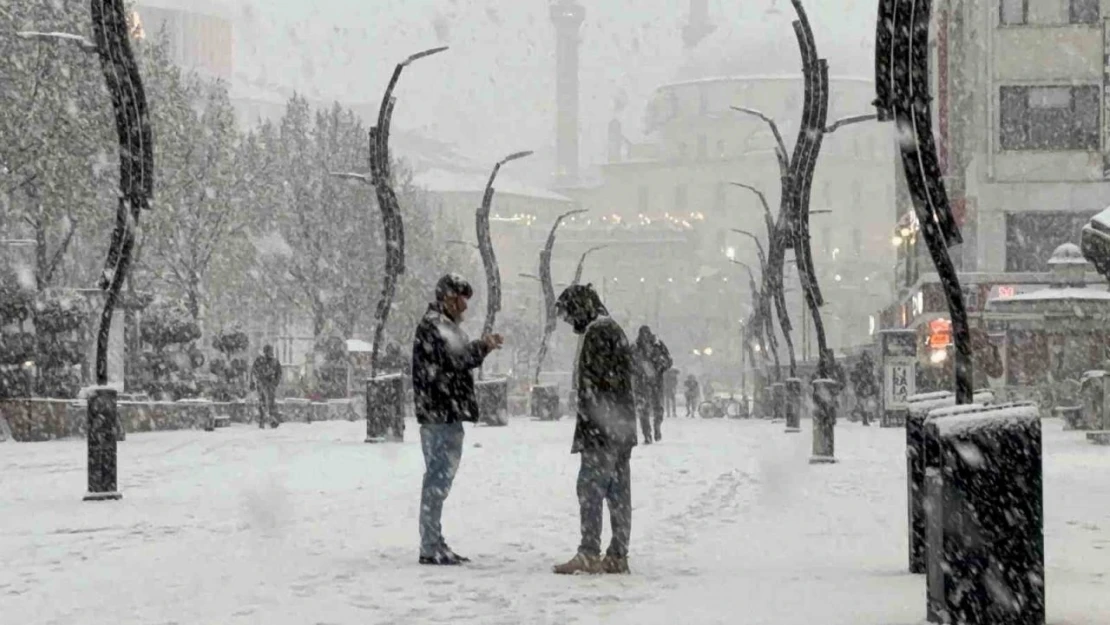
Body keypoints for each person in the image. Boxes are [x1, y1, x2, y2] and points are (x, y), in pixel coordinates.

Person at [412, 274, 502, 565]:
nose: (464, 306)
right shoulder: (435, 325)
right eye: (459, 299)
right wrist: (483, 346)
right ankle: (430, 545)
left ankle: (434, 541)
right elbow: (458, 359)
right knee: (437, 481)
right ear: (446, 298)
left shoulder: (441, 325)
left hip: (443, 412)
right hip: (440, 413)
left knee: (439, 480)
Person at [552, 284, 637, 575]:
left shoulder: (598, 333)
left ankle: (589, 552)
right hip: (620, 428)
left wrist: (593, 427)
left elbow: (597, 388)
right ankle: (617, 554)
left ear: (580, 308)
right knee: (618, 493)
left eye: (568, 314)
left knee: (590, 490)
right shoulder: (612, 329)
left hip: (602, 431)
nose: (568, 321)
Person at [632, 326, 672, 443]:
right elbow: (627, 363)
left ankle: (656, 427)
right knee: (643, 409)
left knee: (657, 407)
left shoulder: (658, 345)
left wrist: (659, 366)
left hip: (655, 381)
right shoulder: (635, 347)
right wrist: (637, 369)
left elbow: (669, 360)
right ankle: (647, 434)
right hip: (641, 382)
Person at [251, 345, 283, 428]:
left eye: (271, 351)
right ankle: (262, 420)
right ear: (265, 351)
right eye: (269, 351)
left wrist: (275, 382)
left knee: (271, 402)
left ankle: (272, 420)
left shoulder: (275, 361)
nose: (270, 352)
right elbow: (254, 371)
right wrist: (257, 380)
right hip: (261, 383)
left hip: (270, 384)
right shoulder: (259, 360)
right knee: (262, 402)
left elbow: (279, 373)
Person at [850, 351, 880, 426]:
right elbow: (855, 376)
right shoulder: (859, 366)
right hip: (862, 387)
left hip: (868, 387)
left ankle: (868, 417)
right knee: (863, 404)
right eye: (865, 357)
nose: (866, 358)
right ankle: (864, 419)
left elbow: (873, 375)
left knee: (868, 404)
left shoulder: (871, 364)